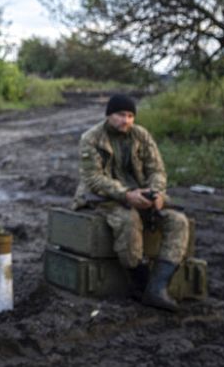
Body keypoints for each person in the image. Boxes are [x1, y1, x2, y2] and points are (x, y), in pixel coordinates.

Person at [71, 94, 189, 312]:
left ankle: (157, 287)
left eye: (130, 115)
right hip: (104, 198)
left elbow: (157, 169)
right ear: (109, 115)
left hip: (141, 196)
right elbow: (94, 179)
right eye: (120, 115)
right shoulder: (91, 138)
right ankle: (141, 284)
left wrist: (157, 194)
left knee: (178, 221)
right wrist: (126, 195)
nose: (126, 120)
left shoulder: (141, 135)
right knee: (128, 220)